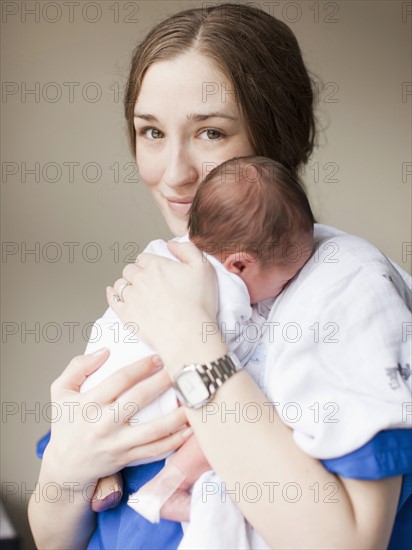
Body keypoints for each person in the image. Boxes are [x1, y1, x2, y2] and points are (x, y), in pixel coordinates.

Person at [28, 4, 412, 550]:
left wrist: (189, 339)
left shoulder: (348, 286)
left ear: (277, 132)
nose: (175, 174)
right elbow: (51, 537)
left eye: (210, 132)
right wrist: (66, 468)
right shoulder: (163, 273)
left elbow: (347, 542)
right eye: (152, 131)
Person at [82, 156, 314, 524]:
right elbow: (233, 356)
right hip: (148, 404)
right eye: (284, 280)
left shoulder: (165, 249)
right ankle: (164, 491)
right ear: (239, 265)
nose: (284, 289)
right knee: (233, 409)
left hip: (96, 387)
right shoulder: (231, 292)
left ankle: (105, 472)